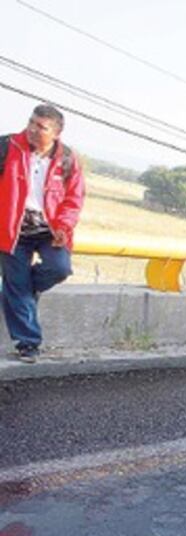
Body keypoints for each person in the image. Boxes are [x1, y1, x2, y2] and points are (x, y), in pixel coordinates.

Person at [0, 105, 85, 363]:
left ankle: (17, 291)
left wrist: (63, 226)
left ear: (56, 133)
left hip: (49, 230)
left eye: (42, 127)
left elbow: (74, 199)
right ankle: (28, 344)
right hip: (11, 230)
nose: (33, 130)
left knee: (59, 269)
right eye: (32, 123)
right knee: (18, 284)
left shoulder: (68, 159)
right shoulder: (6, 147)